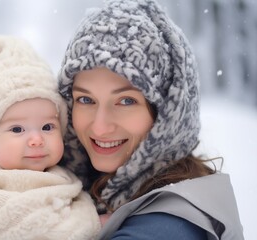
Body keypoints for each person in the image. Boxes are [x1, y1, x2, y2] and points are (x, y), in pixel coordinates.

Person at [58, 0, 244, 239]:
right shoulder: (96, 185)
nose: (100, 127)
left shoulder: (161, 228)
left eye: (126, 101)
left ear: (168, 113)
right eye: (85, 100)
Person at [0, 35, 100, 240]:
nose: (36, 140)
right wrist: (94, 224)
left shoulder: (65, 177)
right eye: (17, 130)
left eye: (47, 127)